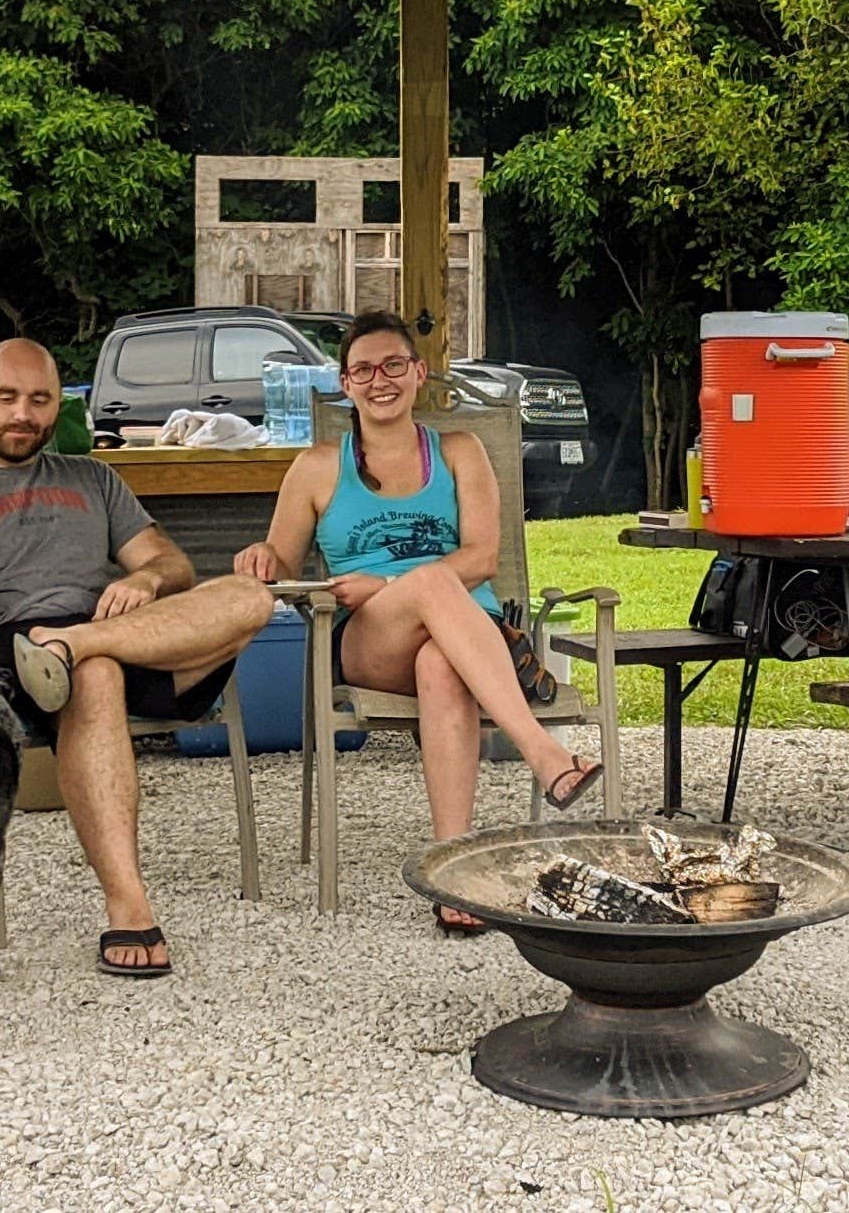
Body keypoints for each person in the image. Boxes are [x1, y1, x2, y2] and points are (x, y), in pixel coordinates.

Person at [0, 337, 271, 978]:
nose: (22, 414)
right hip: (14, 654)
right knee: (92, 674)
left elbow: (169, 561)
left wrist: (144, 582)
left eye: (39, 400)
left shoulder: (94, 479)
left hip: (112, 634)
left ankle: (77, 645)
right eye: (6, 397)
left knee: (249, 597)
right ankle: (128, 904)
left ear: (56, 406)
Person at [235, 312, 602, 934]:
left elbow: (484, 558)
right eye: (363, 370)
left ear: (418, 372)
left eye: (393, 365)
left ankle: (451, 870)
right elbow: (284, 567)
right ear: (345, 384)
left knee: (441, 661)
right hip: (370, 639)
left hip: (469, 641)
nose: (380, 380)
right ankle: (544, 754)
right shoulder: (320, 467)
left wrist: (395, 581)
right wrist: (262, 558)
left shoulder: (461, 451)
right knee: (432, 578)